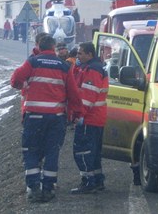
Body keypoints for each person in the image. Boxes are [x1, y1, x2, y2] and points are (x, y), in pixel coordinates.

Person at [10, 35, 82, 203]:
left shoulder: (33, 62)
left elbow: (15, 80)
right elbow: (73, 93)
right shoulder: (64, 66)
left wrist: (24, 85)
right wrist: (76, 114)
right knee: (52, 151)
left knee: (31, 150)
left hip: (33, 116)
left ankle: (34, 188)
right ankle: (48, 188)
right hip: (56, 118)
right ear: (54, 47)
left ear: (39, 47)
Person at [70, 42, 109, 194]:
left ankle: (88, 182)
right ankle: (97, 180)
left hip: (89, 118)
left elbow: (87, 97)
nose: (77, 57)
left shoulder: (92, 70)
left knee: (83, 150)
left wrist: (79, 116)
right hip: (96, 118)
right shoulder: (92, 68)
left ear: (89, 54)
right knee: (93, 151)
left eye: (80, 53)